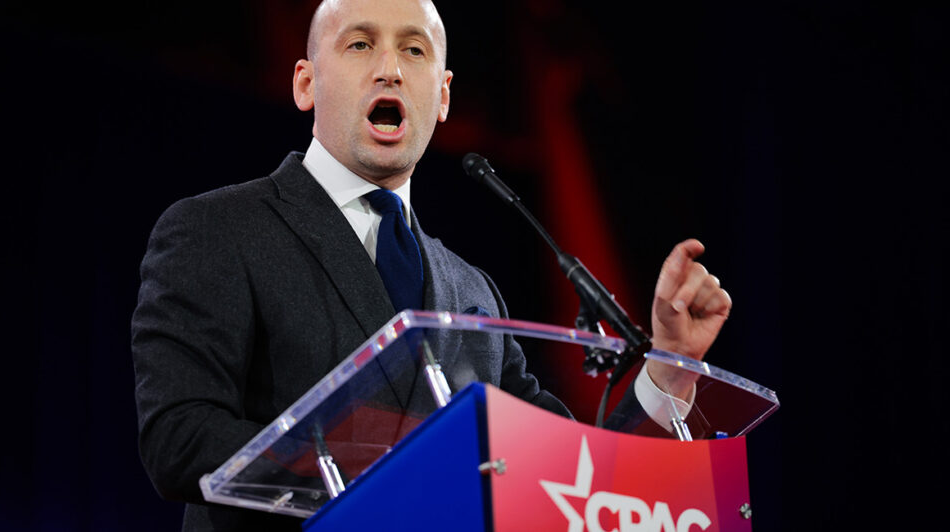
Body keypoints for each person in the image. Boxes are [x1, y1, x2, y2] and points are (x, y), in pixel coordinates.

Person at [131, 0, 732, 530]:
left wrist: (669, 369)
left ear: (442, 97)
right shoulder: (217, 231)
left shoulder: (474, 292)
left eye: (413, 50)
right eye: (360, 44)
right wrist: (395, 467)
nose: (389, 68)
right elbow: (179, 439)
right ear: (306, 83)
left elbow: (575, 478)